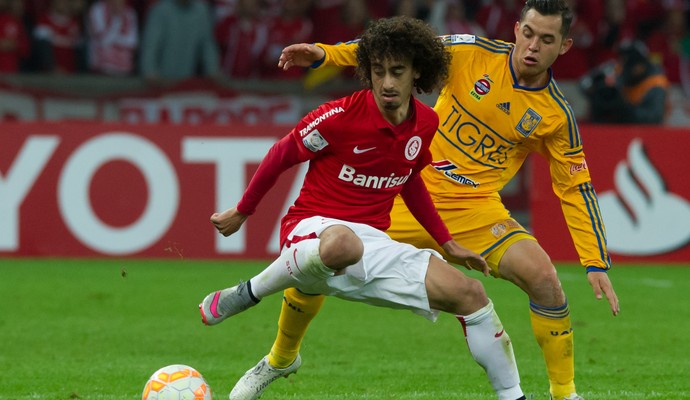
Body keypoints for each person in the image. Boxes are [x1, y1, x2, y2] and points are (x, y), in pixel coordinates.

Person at [245, 1, 621, 400]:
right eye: (528, 33)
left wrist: (594, 259)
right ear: (515, 29)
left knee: (545, 281)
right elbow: (397, 49)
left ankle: (564, 393)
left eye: (546, 40)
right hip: (406, 190)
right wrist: (325, 53)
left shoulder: (556, 115)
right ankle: (281, 358)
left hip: (475, 210)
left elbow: (575, 187)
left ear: (564, 47)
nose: (532, 46)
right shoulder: (470, 53)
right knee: (319, 259)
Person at [200, 16, 527, 400]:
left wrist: (447, 242)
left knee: (471, 294)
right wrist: (243, 210)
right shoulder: (339, 116)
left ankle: (515, 396)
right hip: (313, 229)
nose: (387, 82)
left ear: (416, 72)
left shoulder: (426, 123)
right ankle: (248, 293)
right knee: (343, 244)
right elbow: (281, 154)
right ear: (366, 72)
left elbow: (411, 181)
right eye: (378, 72)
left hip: (373, 244)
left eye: (397, 72)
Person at [580, 39, 669, 124]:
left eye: (628, 62)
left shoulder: (656, 82)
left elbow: (654, 118)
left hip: (644, 132)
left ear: (641, 65)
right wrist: (598, 86)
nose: (623, 66)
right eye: (622, 60)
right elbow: (584, 84)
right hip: (612, 128)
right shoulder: (616, 69)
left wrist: (623, 107)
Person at [139, 0, 220, 85]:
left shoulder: (201, 11)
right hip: (159, 80)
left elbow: (207, 45)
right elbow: (150, 45)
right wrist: (150, 71)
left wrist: (212, 69)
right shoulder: (160, 10)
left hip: (187, 80)